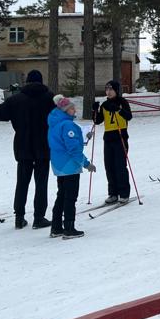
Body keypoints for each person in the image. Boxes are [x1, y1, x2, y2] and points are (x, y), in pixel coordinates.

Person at [0, 69, 54, 230]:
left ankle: (19, 217)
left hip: (23, 146)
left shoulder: (16, 99)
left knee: (22, 182)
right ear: (41, 81)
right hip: (44, 146)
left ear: (27, 81)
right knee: (41, 183)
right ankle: (39, 217)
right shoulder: (50, 99)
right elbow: (63, 114)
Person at [47, 95, 97, 239]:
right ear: (65, 110)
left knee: (61, 195)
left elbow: (67, 142)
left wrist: (83, 138)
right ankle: (69, 228)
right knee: (70, 197)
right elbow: (73, 149)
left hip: (59, 165)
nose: (75, 110)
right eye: (71, 108)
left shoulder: (55, 123)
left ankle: (56, 227)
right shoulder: (67, 125)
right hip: (69, 166)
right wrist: (87, 164)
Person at [92, 79, 133, 204]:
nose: (108, 92)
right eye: (107, 89)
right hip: (108, 138)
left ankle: (124, 193)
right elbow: (97, 121)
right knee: (109, 166)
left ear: (116, 91)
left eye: (111, 89)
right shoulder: (104, 105)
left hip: (120, 136)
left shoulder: (122, 102)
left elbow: (129, 117)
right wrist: (94, 110)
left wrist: (119, 110)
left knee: (120, 166)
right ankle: (113, 193)